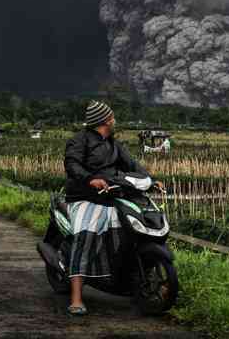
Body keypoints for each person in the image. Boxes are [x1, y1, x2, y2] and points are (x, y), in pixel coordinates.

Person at [63, 100, 163, 315]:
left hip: (111, 198)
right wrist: (90, 179)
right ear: (105, 120)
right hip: (84, 197)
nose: (115, 120)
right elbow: (72, 165)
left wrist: (151, 180)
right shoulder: (79, 141)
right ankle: (76, 298)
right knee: (86, 236)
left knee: (127, 233)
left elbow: (133, 165)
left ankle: (124, 276)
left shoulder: (113, 144)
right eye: (112, 117)